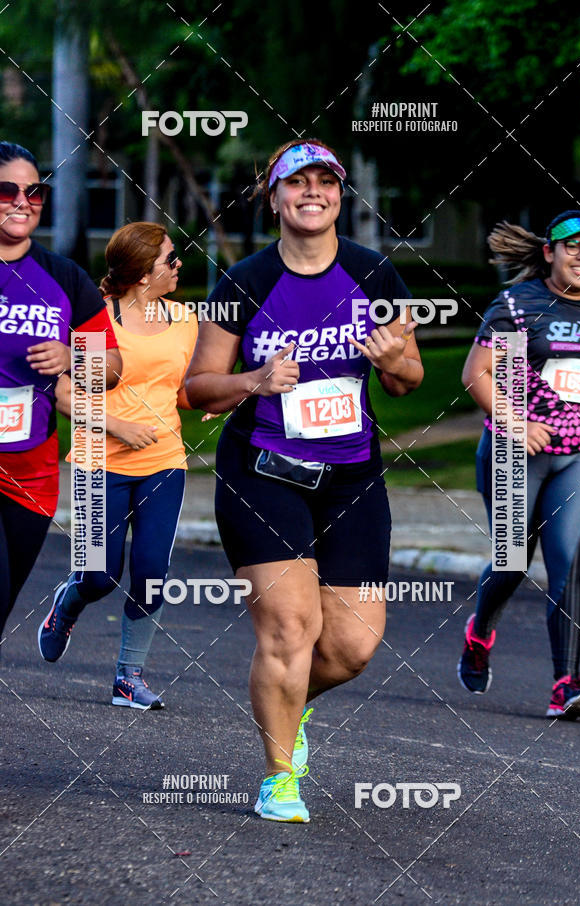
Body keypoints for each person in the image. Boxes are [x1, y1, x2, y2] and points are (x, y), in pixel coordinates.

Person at [185, 139, 423, 821]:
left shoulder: (375, 275)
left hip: (351, 477)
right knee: (291, 629)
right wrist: (253, 381)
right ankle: (278, 777)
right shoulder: (244, 283)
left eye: (325, 182)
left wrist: (391, 361)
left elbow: (409, 381)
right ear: (275, 196)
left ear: (339, 196)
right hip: (263, 473)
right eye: (298, 183)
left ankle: (291, 709)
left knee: (352, 647)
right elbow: (197, 389)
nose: (311, 193)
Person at [38, 222, 197, 709]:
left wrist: (226, 395)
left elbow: (181, 388)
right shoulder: (96, 321)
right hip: (96, 462)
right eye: (170, 259)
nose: (179, 266)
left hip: (164, 462)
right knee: (99, 577)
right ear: (141, 273)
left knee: (152, 573)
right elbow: (64, 393)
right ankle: (67, 604)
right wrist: (118, 427)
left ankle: (129, 677)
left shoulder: (186, 318)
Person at [459, 209, 580, 719]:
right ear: (549, 253)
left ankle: (566, 684)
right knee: (513, 562)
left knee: (568, 567)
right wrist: (518, 425)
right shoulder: (523, 307)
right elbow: (477, 375)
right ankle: (480, 630)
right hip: (514, 452)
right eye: (572, 246)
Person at [0, 141, 121, 652]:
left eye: (35, 192)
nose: (22, 201)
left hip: (32, 472)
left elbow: (109, 368)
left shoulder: (65, 279)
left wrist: (75, 358)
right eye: (7, 190)